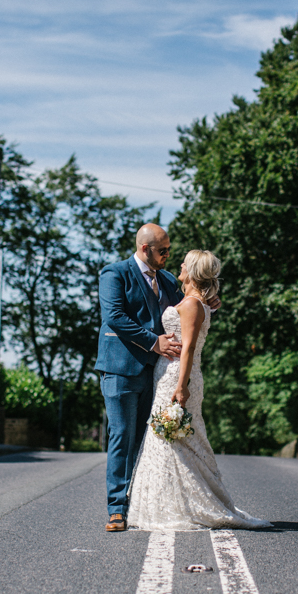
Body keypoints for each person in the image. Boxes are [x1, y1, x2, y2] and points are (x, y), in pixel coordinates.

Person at [127, 249, 271, 531]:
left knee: (177, 438)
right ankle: (168, 503)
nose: (179, 264)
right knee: (170, 440)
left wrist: (182, 386)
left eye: (184, 262)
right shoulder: (193, 300)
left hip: (179, 377)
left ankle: (193, 504)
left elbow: (190, 347)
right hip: (168, 373)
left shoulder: (192, 305)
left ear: (193, 272)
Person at [97, 224, 211, 532]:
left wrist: (209, 301)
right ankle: (117, 508)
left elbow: (187, 304)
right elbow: (115, 317)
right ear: (146, 249)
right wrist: (153, 341)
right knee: (122, 434)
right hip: (121, 369)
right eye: (164, 251)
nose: (168, 256)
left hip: (157, 374)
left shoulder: (169, 280)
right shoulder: (115, 274)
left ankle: (137, 500)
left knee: (144, 440)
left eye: (170, 251)